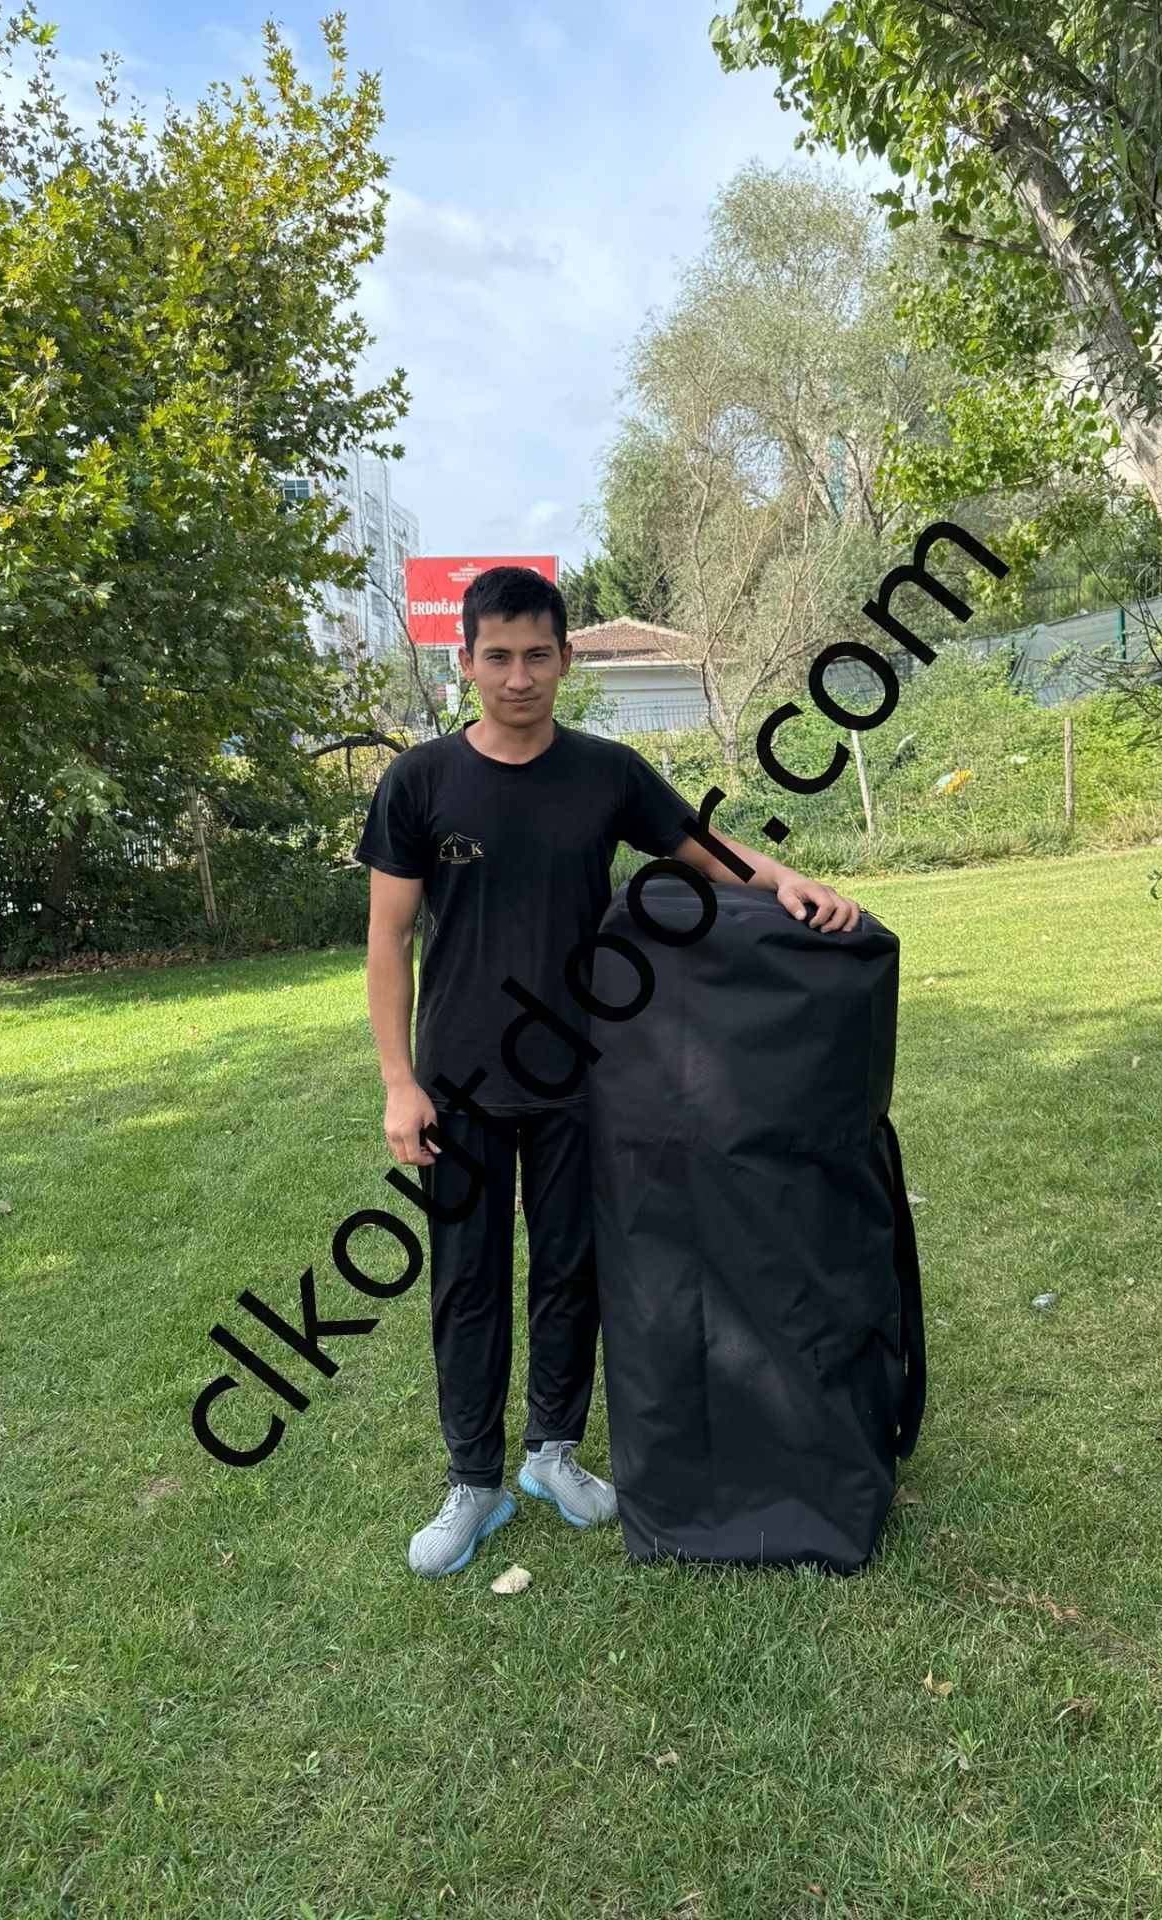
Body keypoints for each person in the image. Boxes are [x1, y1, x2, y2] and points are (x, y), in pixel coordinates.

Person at [356, 565, 860, 1579]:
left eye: (538, 655)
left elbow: (706, 851)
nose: (519, 677)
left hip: (583, 1076)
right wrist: (399, 1084)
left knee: (571, 1268)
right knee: (466, 1283)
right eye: (499, 657)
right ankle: (473, 1482)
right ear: (467, 661)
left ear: (565, 659)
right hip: (457, 1086)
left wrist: (787, 880)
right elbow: (388, 939)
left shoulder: (606, 773)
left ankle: (552, 1453)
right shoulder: (420, 782)